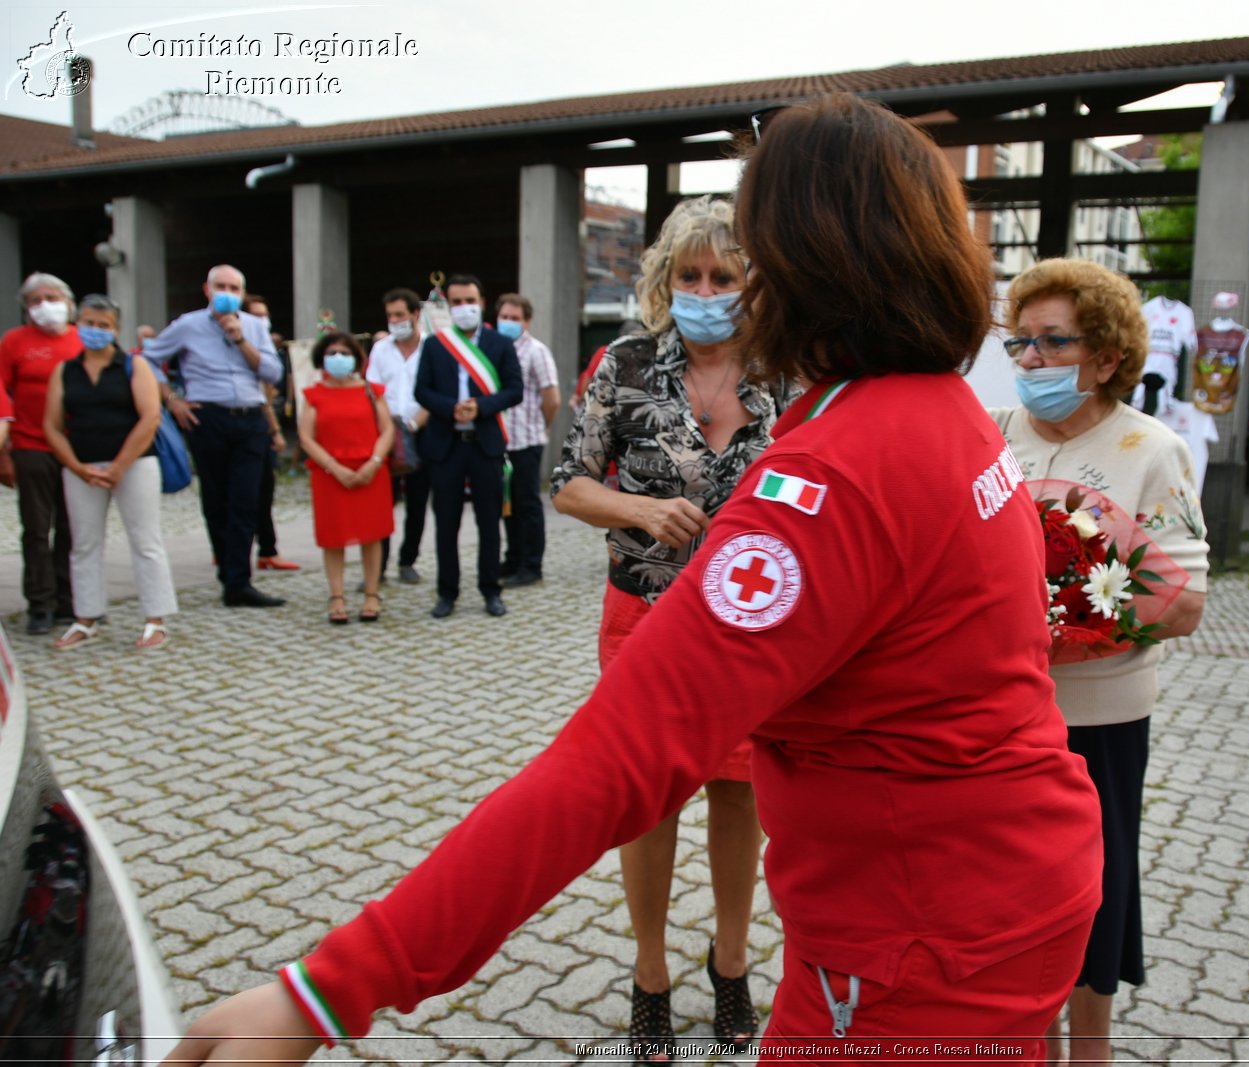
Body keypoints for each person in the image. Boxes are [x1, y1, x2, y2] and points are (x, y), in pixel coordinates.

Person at [164, 93, 1104, 1067]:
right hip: (998, 885)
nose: (739, 283)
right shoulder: (937, 408)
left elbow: (614, 758)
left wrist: (329, 987)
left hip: (920, 938)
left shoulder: (833, 474)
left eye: (753, 248)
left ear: (801, 260)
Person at [550, 195, 791, 1058]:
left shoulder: (785, 371)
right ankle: (649, 973)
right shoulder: (624, 363)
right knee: (646, 798)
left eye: (722, 275)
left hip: (751, 628)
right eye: (687, 274)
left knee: (740, 792)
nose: (703, 289)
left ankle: (732, 962)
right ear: (663, 278)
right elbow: (569, 484)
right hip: (646, 617)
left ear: (752, 283)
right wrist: (642, 509)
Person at [988, 258, 1209, 1065]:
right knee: (1015, 898)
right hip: (999, 716)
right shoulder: (989, 434)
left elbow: (1181, 602)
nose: (1033, 361)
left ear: (1109, 354)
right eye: (1023, 343)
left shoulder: (1150, 448)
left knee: (1094, 894)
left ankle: (1091, 1053)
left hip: (1100, 718)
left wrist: (1067, 628)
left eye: (1055, 342)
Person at [142, 264, 286, 608]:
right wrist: (172, 399)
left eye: (234, 288)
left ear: (242, 294)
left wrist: (240, 339)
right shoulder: (187, 325)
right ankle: (230, 575)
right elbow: (147, 359)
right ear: (207, 290)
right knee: (217, 499)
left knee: (246, 499)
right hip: (208, 417)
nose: (227, 292)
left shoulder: (253, 326)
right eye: (220, 286)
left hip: (250, 416)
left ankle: (239, 581)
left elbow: (273, 371)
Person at [40, 294, 177, 650]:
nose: (95, 331)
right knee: (83, 544)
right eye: (88, 323)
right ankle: (86, 618)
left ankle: (155, 618)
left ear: (115, 329)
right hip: (83, 465)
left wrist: (119, 467)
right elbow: (53, 426)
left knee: (145, 541)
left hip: (135, 464)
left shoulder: (134, 366)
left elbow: (150, 416)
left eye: (104, 325)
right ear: (77, 323)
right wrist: (75, 466)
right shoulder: (65, 371)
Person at [413, 274, 523, 618]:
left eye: (469, 301)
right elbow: (422, 391)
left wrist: (482, 406)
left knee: (489, 522)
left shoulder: (499, 343)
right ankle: (447, 592)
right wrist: (449, 408)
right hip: (446, 446)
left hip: (485, 445)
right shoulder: (434, 344)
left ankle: (491, 590)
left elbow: (514, 389)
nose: (464, 308)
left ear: (481, 301)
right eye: (457, 302)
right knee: (446, 523)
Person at [0, 272, 80, 633]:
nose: (45, 306)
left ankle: (70, 598)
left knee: (73, 527)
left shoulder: (83, 340)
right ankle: (40, 602)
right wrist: (3, 451)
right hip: (30, 445)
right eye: (35, 301)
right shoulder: (14, 342)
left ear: (67, 302)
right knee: (36, 527)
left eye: (51, 297)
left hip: (76, 448)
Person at [299, 332, 395, 625]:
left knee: (372, 534)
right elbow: (306, 437)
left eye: (344, 352)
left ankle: (371, 593)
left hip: (370, 472)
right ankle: (337, 596)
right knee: (333, 537)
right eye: (332, 353)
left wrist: (374, 462)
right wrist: (334, 467)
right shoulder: (313, 394)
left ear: (355, 357)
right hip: (330, 474)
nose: (338, 357)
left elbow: (387, 429)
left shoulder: (371, 391)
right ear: (322, 358)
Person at [493, 294, 560, 586]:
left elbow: (552, 399)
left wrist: (540, 426)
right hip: (500, 440)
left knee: (527, 503)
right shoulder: (493, 349)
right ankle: (513, 557)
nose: (508, 322)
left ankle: (531, 565)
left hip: (527, 438)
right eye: (504, 317)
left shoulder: (536, 351)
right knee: (506, 503)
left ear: (526, 321)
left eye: (514, 318)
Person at [366, 288, 431, 585]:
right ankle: (377, 566)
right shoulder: (381, 349)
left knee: (417, 501)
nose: (394, 321)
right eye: (390, 316)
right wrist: (389, 430)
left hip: (422, 430)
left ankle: (408, 560)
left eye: (399, 315)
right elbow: (372, 392)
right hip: (386, 432)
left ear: (415, 315)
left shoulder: (432, 347)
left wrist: (415, 425)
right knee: (382, 502)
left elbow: (435, 392)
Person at [241, 293, 299, 574]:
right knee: (246, 492)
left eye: (265, 314)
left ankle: (267, 549)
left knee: (264, 491)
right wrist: (276, 431)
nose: (262, 320)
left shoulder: (267, 350)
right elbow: (262, 395)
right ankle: (238, 549)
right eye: (256, 315)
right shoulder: (239, 348)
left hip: (262, 426)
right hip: (253, 425)